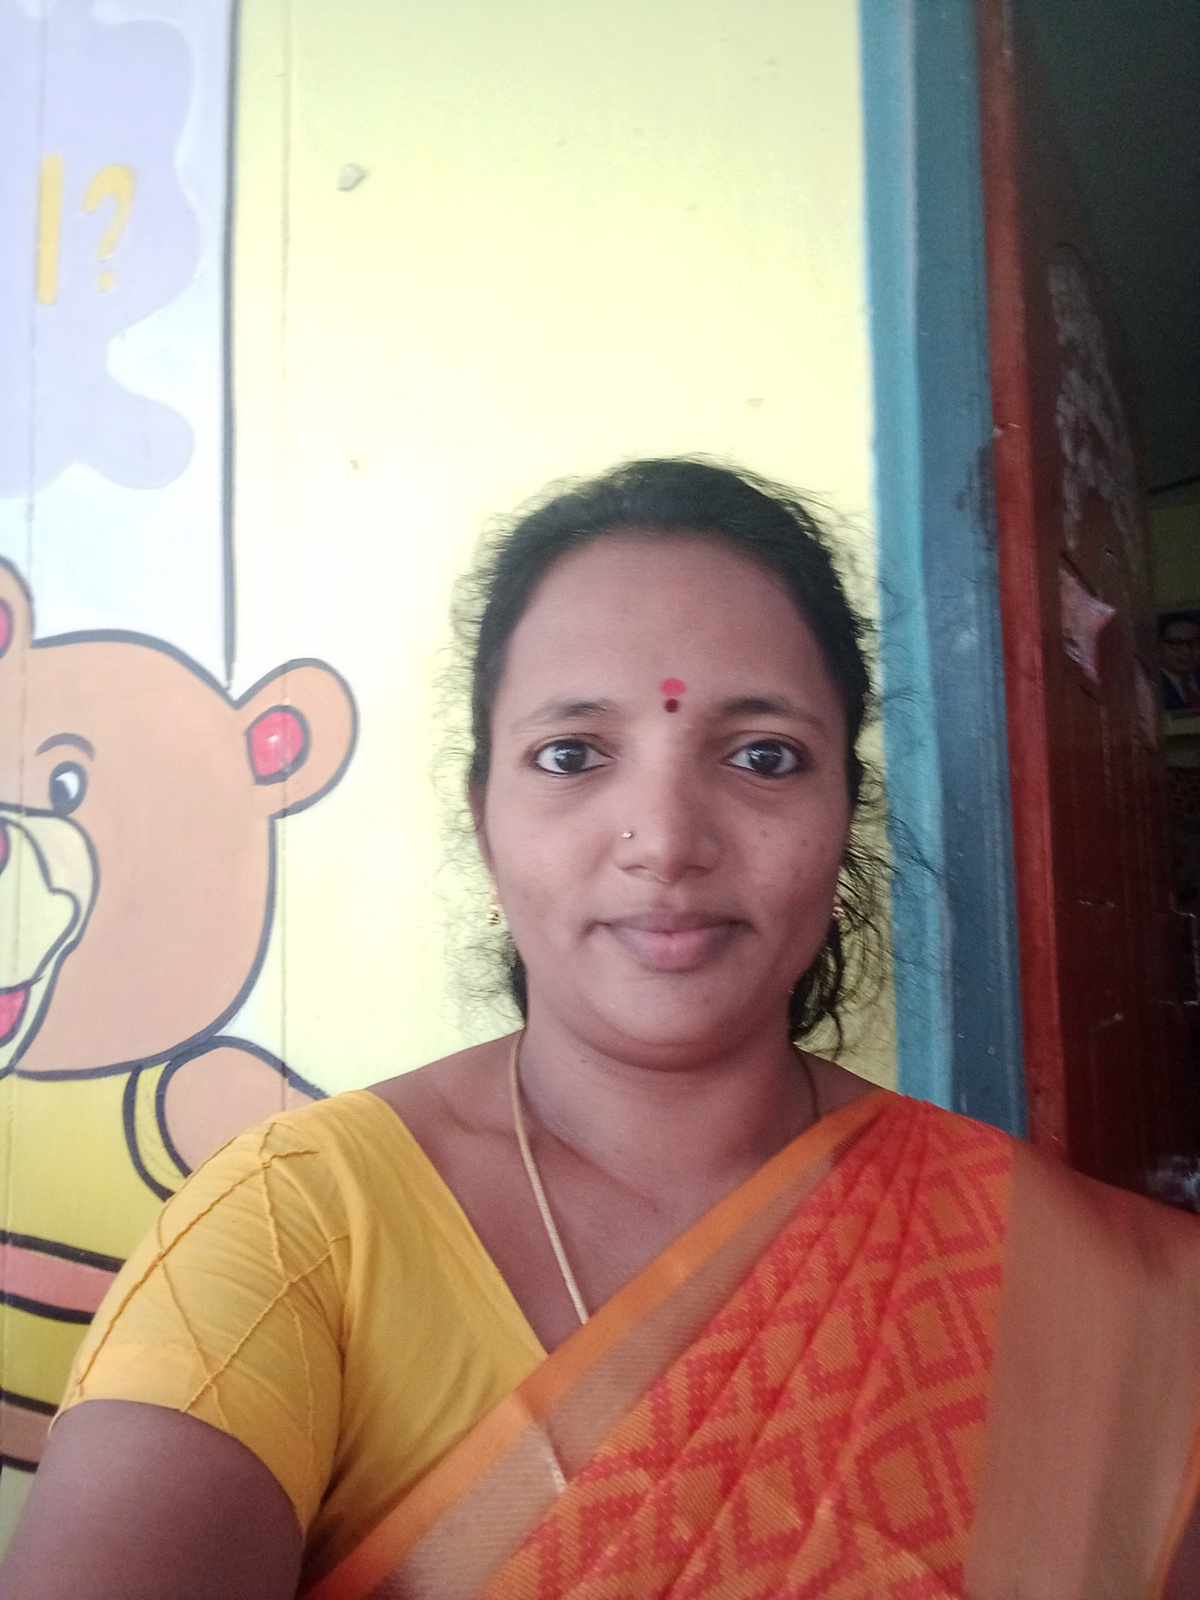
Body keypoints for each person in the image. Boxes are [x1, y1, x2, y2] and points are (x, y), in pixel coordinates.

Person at [4, 458, 1200, 1598]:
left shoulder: (1088, 1294)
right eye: (572, 754)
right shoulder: (297, 1230)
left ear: (845, 809)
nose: (666, 839)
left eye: (764, 755)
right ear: (485, 818)